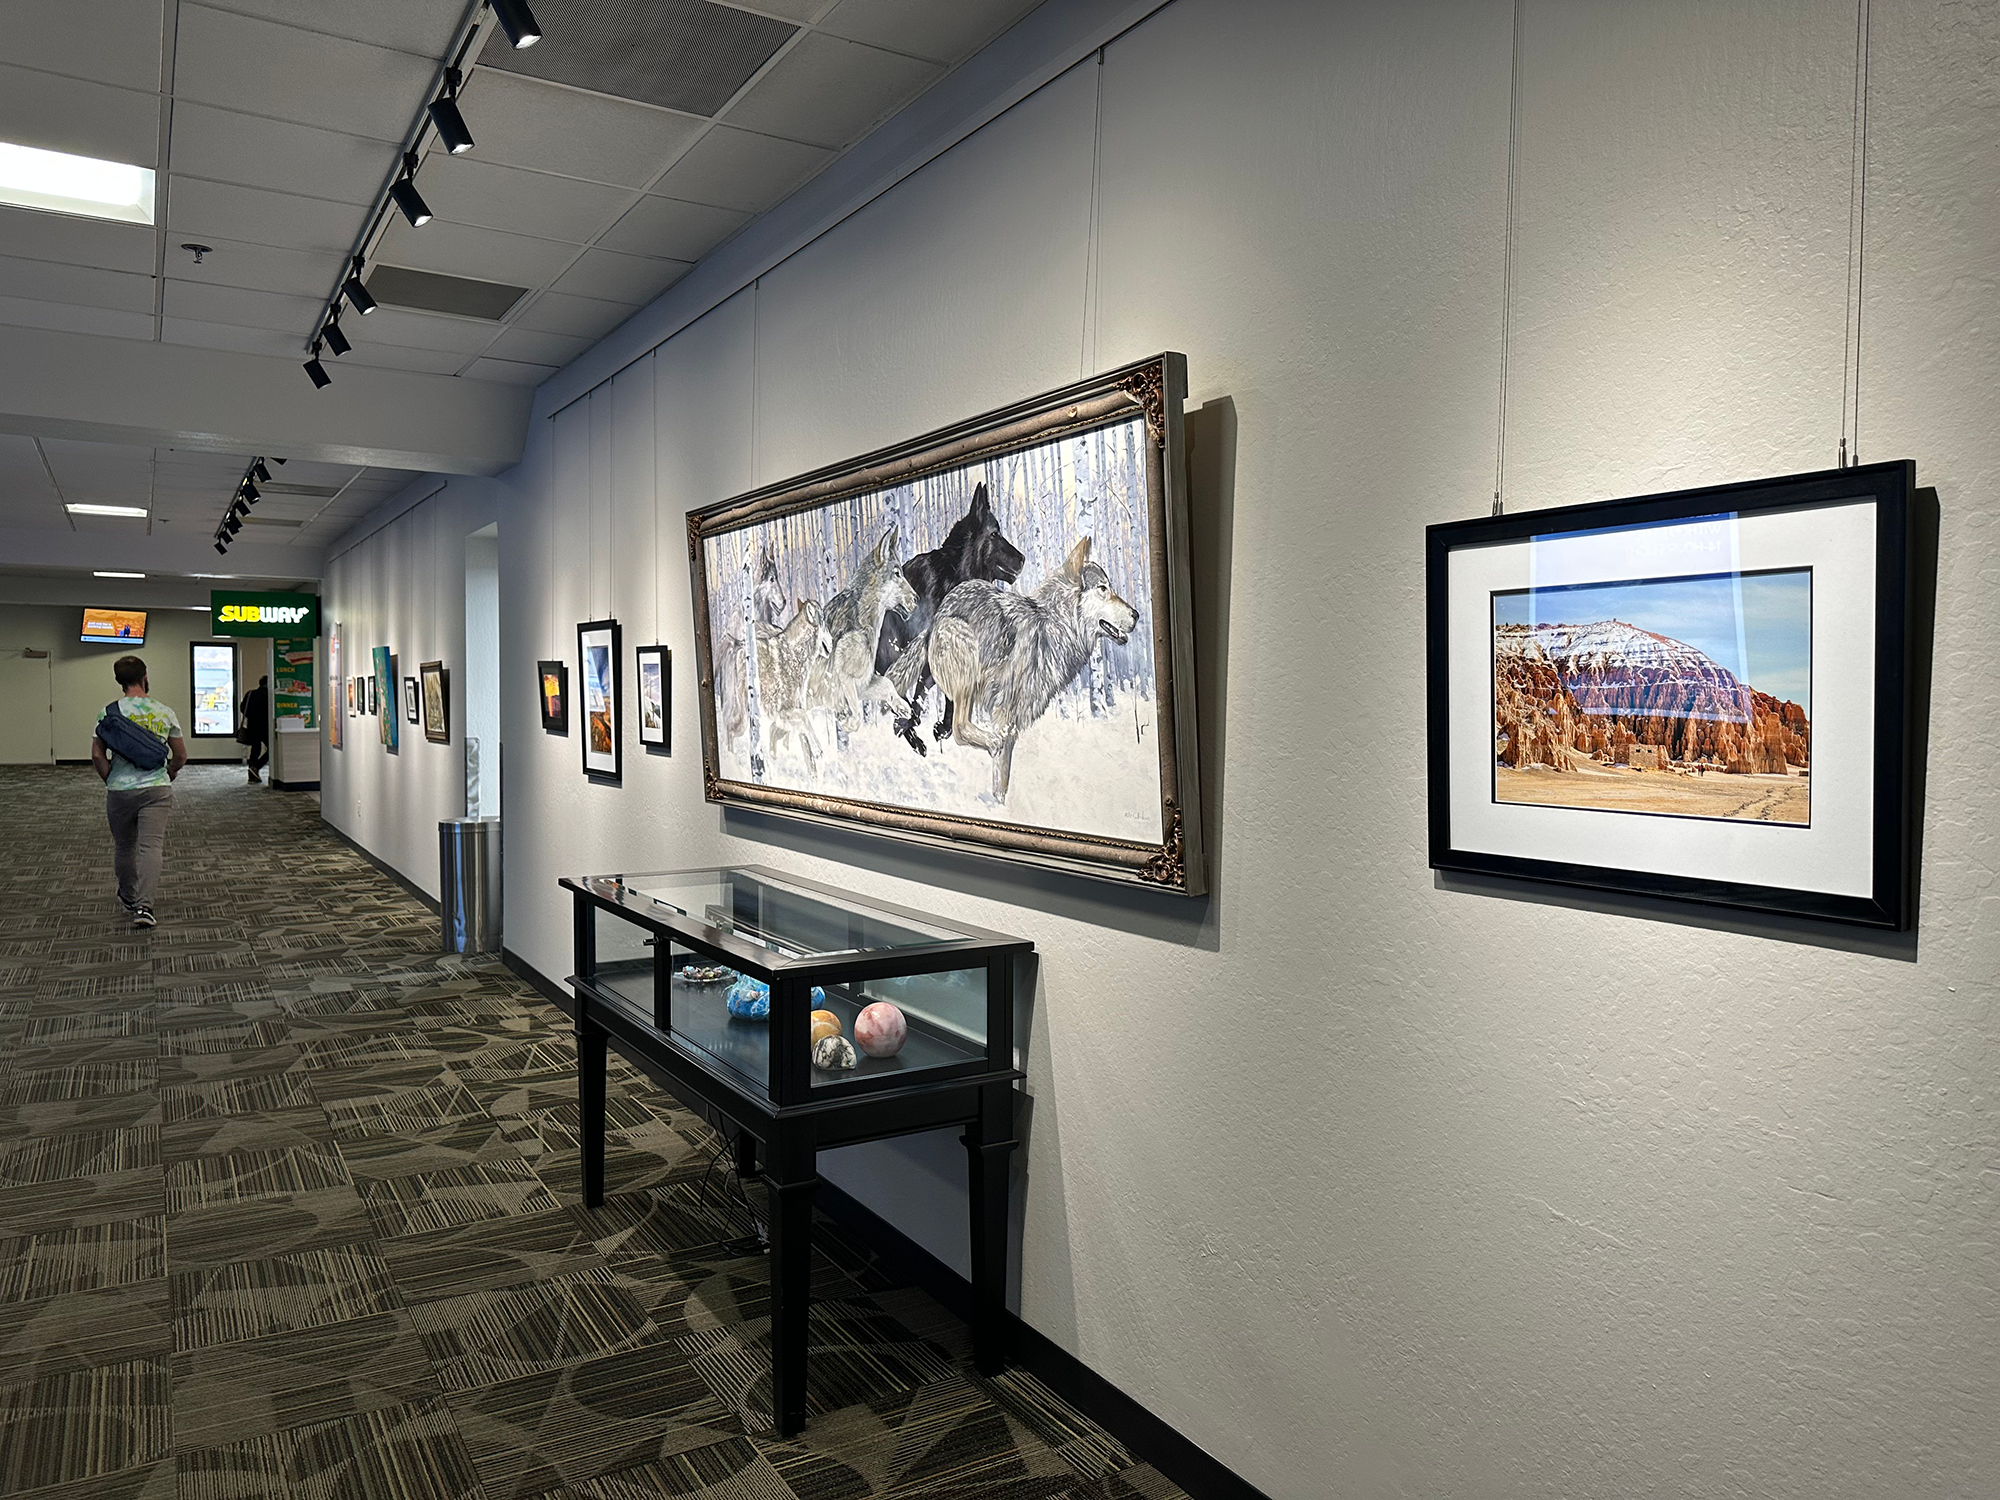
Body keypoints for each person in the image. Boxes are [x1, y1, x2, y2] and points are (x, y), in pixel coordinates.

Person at [90, 654, 186, 930]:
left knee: (124, 846)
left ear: (118, 680)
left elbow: (97, 755)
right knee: (150, 847)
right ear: (145, 677)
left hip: (120, 789)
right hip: (156, 788)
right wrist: (170, 772)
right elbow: (180, 755)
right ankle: (145, 907)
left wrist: (110, 778)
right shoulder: (164, 711)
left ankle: (129, 896)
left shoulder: (107, 712)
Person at [239, 674, 270, 783]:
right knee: (272, 750)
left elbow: (242, 708)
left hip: (251, 726)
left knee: (255, 749)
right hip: (265, 726)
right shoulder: (268, 695)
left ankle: (252, 773)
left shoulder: (250, 694)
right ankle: (256, 767)